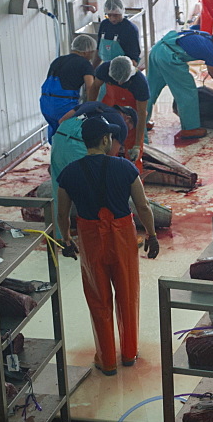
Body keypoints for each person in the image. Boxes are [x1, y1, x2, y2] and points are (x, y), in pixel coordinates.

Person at [57, 116, 159, 377]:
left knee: (98, 299)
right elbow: (143, 205)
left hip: (91, 240)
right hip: (122, 237)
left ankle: (107, 360)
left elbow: (62, 214)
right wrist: (151, 234)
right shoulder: (125, 168)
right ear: (105, 140)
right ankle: (128, 354)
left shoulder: (69, 173)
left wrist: (67, 240)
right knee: (127, 294)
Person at [50, 102, 135, 238]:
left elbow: (62, 120)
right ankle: (97, 233)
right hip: (78, 142)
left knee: (58, 188)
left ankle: (60, 236)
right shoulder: (121, 126)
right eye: (131, 129)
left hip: (59, 137)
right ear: (128, 119)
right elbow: (108, 160)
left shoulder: (91, 105)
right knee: (92, 187)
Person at [146, 28, 213, 140]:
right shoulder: (210, 49)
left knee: (150, 89)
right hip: (169, 57)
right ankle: (190, 128)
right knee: (187, 91)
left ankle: (141, 121)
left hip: (157, 49)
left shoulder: (205, 36)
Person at [88, 56, 150, 170]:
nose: (119, 83)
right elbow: (95, 87)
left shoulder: (140, 82)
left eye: (123, 81)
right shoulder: (105, 68)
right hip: (109, 110)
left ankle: (134, 179)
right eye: (116, 80)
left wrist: (137, 145)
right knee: (107, 148)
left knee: (132, 156)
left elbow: (141, 114)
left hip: (132, 117)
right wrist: (89, 108)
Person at [39, 34, 96, 142]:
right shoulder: (85, 64)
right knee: (70, 136)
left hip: (46, 103)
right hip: (64, 105)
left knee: (56, 134)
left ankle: (56, 156)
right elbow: (90, 87)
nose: (92, 56)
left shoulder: (57, 61)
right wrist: (91, 108)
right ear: (86, 52)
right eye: (92, 53)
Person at [96, 0, 141, 64]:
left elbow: (134, 59)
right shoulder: (104, 25)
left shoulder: (130, 29)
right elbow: (98, 50)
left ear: (122, 12)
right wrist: (93, 69)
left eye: (116, 15)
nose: (112, 19)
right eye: (109, 15)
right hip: (106, 66)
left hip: (124, 67)